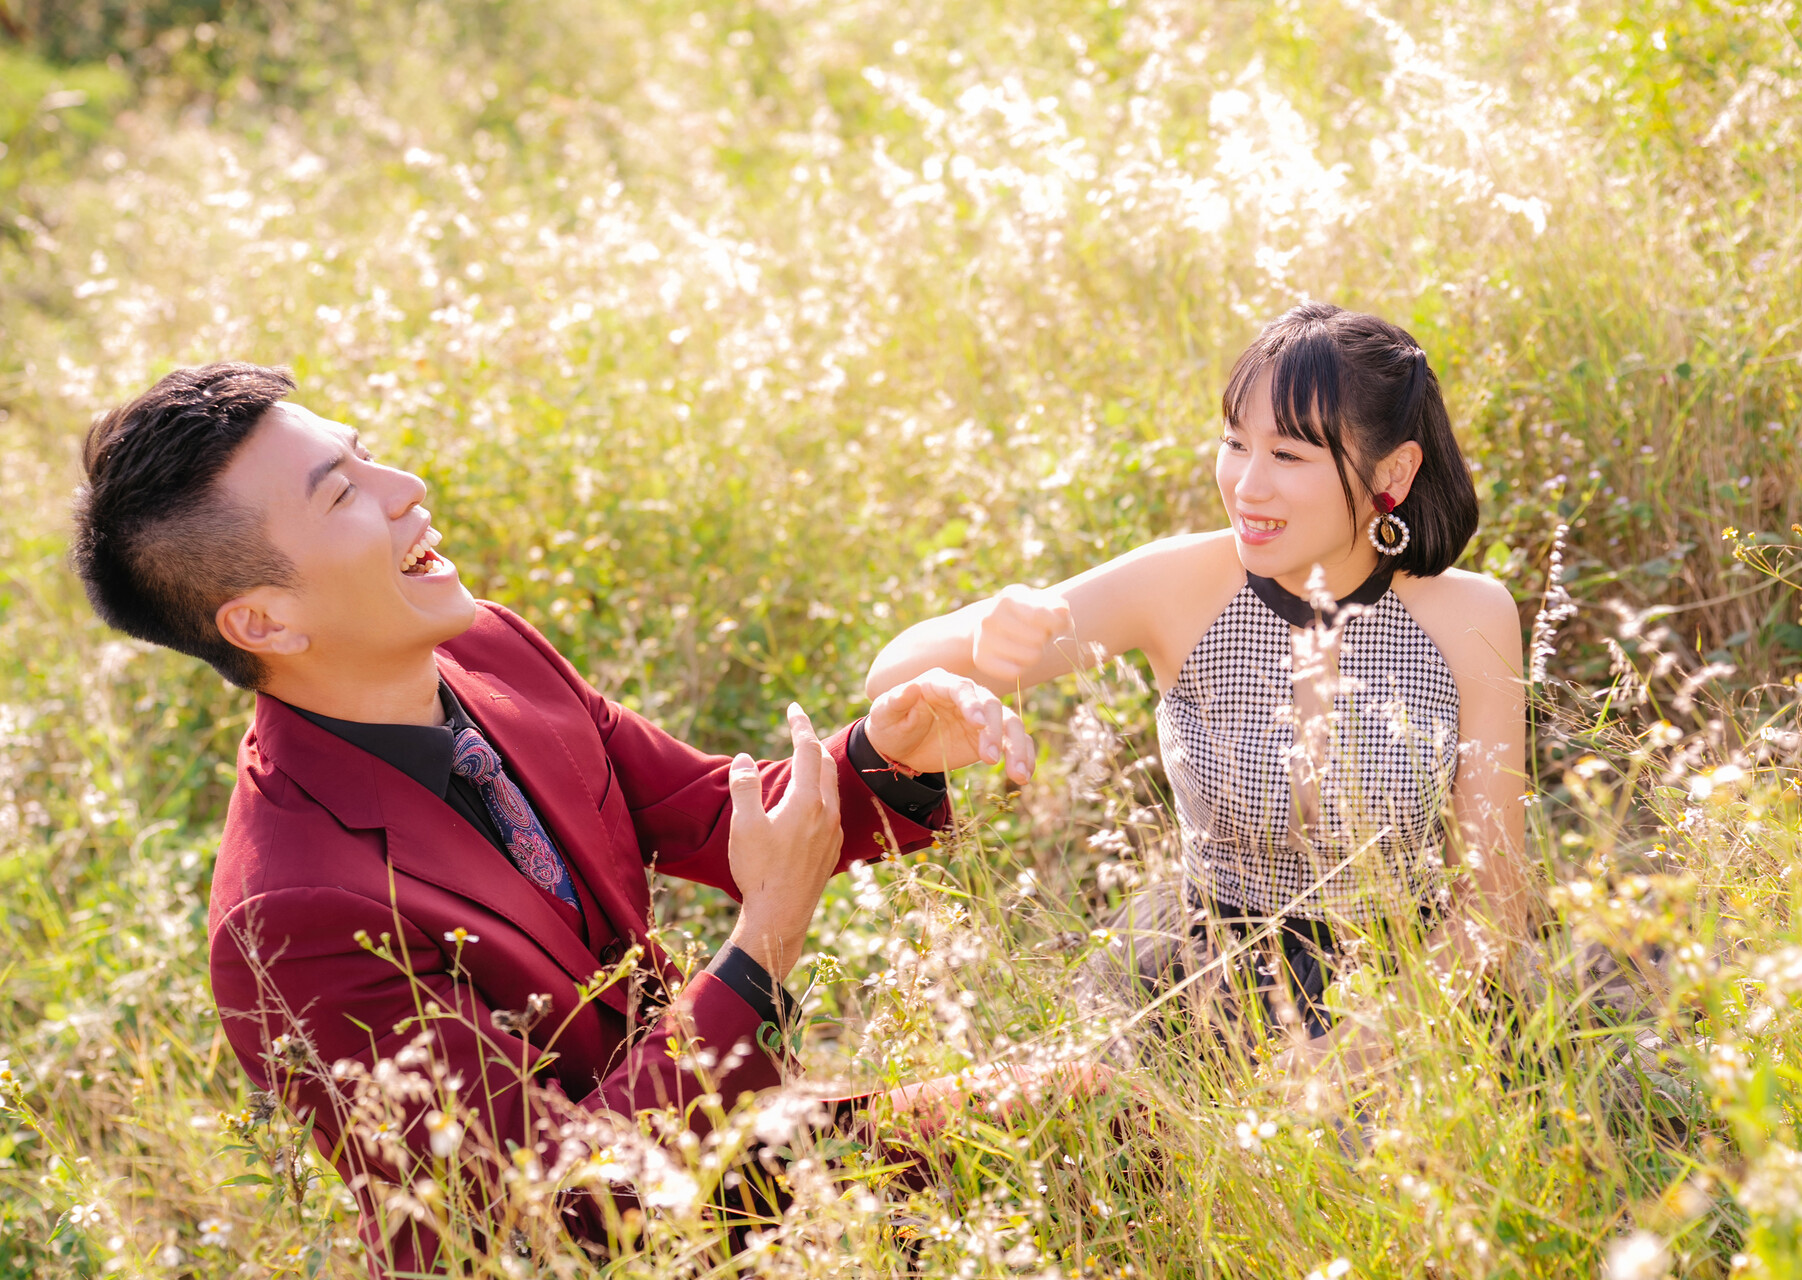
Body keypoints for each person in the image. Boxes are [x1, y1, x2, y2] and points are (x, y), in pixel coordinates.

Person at [68, 363, 1061, 1273]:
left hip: (732, 1158)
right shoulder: (290, 916)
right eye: (342, 493)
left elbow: (704, 811)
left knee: (1082, 1118)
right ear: (265, 622)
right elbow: (552, 1209)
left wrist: (886, 753)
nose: (406, 486)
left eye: (366, 454)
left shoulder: (485, 647)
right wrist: (764, 943)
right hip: (615, 1244)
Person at [866, 302, 1532, 1069]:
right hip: (1199, 974)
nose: (1247, 485)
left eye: (1288, 455)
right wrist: (985, 631)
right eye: (1235, 443)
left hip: (1406, 990)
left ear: (1393, 472)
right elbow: (892, 671)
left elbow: (1495, 904)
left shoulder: (1471, 616)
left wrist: (1356, 1052)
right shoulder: (1181, 584)